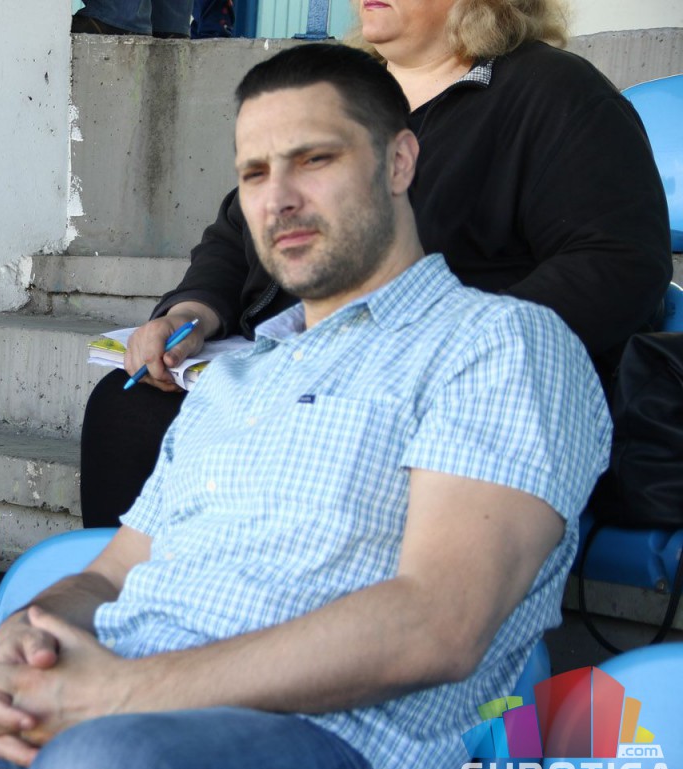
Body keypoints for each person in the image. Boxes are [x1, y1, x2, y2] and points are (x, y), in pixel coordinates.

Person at [0, 43, 612, 769]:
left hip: (315, 743)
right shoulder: (237, 377)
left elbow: (439, 623)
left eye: (314, 159)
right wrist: (33, 635)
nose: (279, 198)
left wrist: (118, 695)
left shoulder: (500, 344)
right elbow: (108, 574)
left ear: (399, 160)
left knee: (106, 766)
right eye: (254, 173)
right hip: (102, 710)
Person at [79, 0, 672, 527]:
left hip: (442, 393)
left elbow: (617, 262)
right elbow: (241, 230)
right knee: (130, 406)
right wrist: (191, 312)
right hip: (295, 366)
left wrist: (449, 346)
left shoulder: (554, 92)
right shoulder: (336, 91)